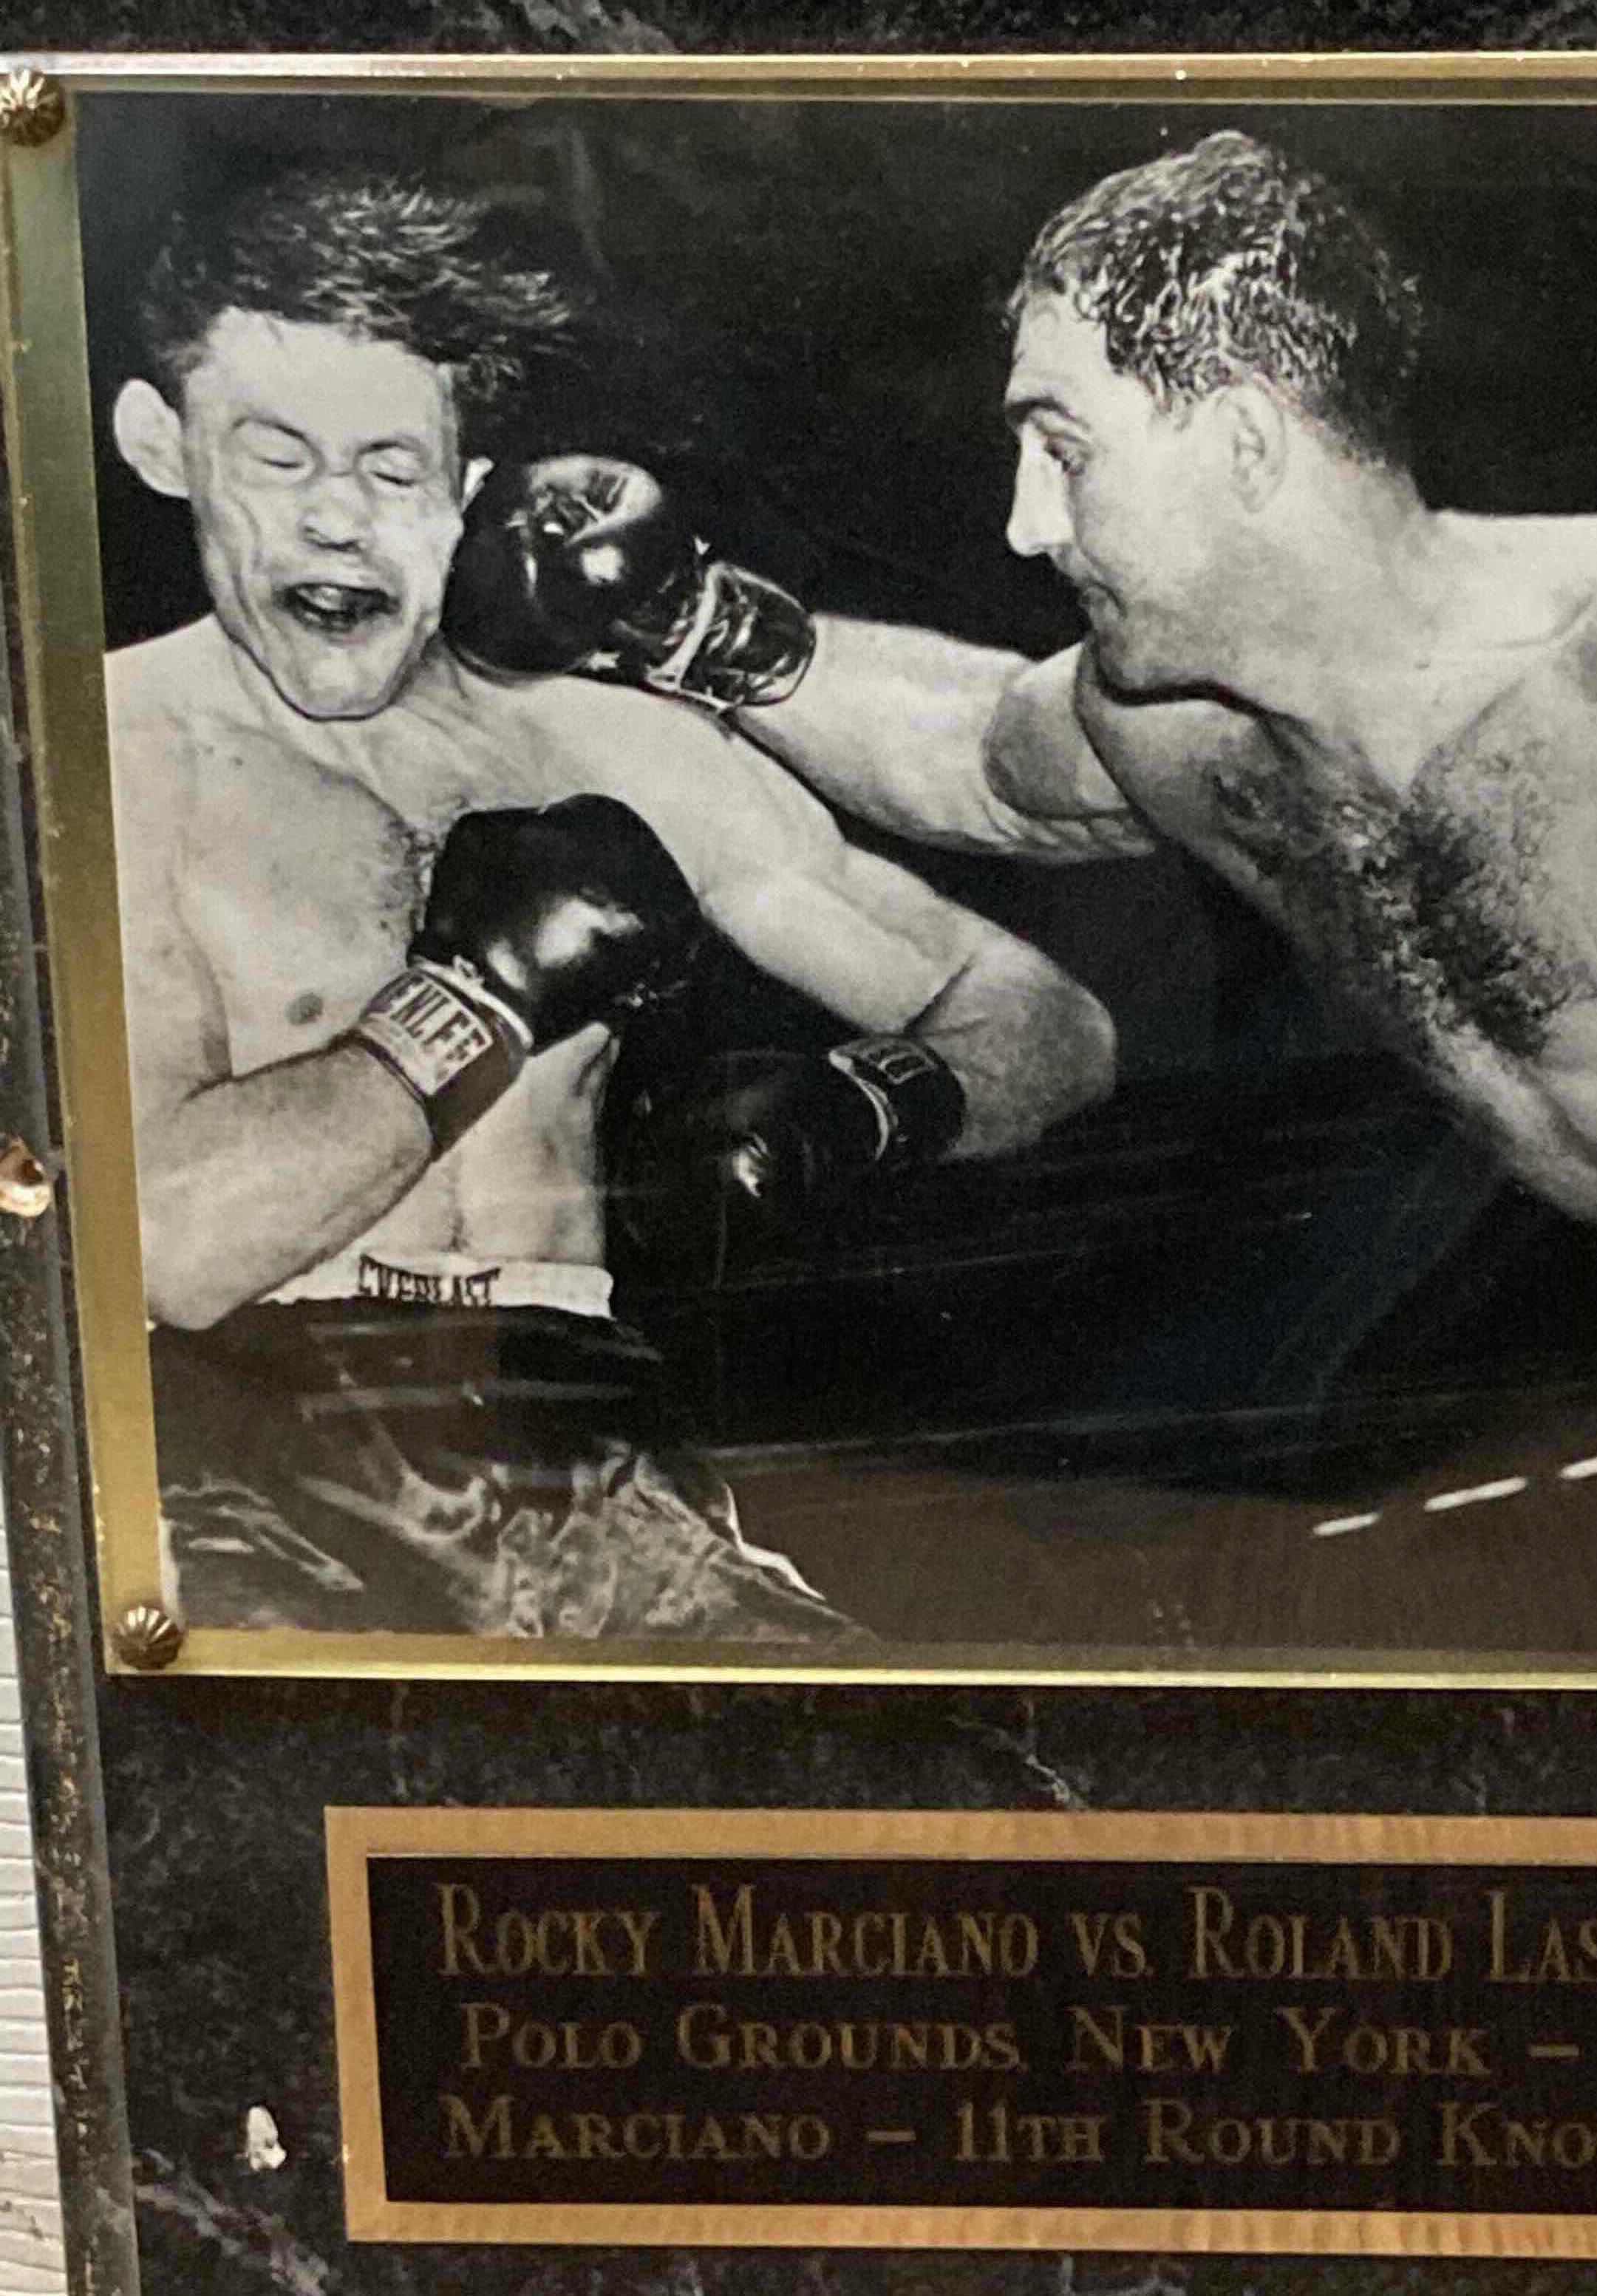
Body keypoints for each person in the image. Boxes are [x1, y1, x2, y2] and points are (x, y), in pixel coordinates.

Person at [698, 130, 1597, 1658]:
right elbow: (967, 757)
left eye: (1062, 448)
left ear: (1244, 441)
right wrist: (686, 623)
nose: (1025, 524)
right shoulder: (1180, 728)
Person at [105, 169, 1114, 1639]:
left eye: (389, 469)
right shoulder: (111, 755)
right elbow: (169, 1248)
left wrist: (869, 1107)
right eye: (277, 458)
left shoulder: (599, 743)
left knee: (950, 1823)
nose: (338, 522)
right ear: (160, 447)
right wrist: (481, 1002)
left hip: (591, 1455)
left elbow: (1047, 1019)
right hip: (242, 1474)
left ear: (465, 490)